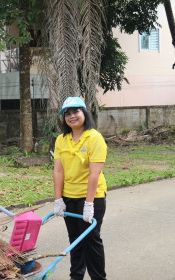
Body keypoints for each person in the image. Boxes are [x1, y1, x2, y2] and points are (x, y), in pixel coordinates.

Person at [53, 96, 107, 280]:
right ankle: (76, 277)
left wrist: (89, 203)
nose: (71, 116)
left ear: (84, 112)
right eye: (67, 113)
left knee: (91, 241)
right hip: (69, 197)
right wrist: (58, 199)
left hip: (92, 197)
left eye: (75, 111)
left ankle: (99, 278)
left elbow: (95, 173)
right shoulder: (61, 139)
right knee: (74, 241)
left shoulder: (94, 138)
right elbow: (58, 171)